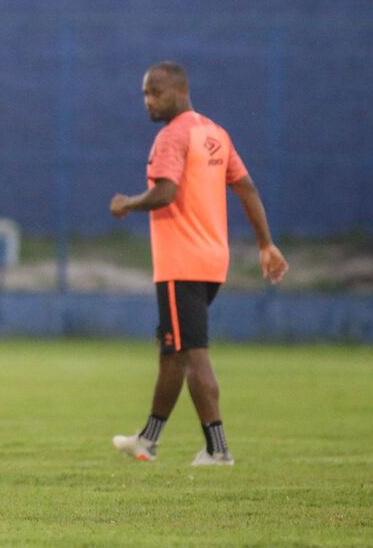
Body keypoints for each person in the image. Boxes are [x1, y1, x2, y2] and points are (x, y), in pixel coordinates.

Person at [109, 61, 288, 466]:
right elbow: (246, 187)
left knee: (191, 352)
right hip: (212, 260)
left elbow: (165, 193)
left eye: (153, 93)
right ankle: (147, 440)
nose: (148, 101)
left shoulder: (172, 136)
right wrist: (266, 244)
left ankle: (218, 449)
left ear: (177, 91)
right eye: (144, 94)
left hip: (180, 261)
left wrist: (127, 203)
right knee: (171, 350)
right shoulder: (215, 133)